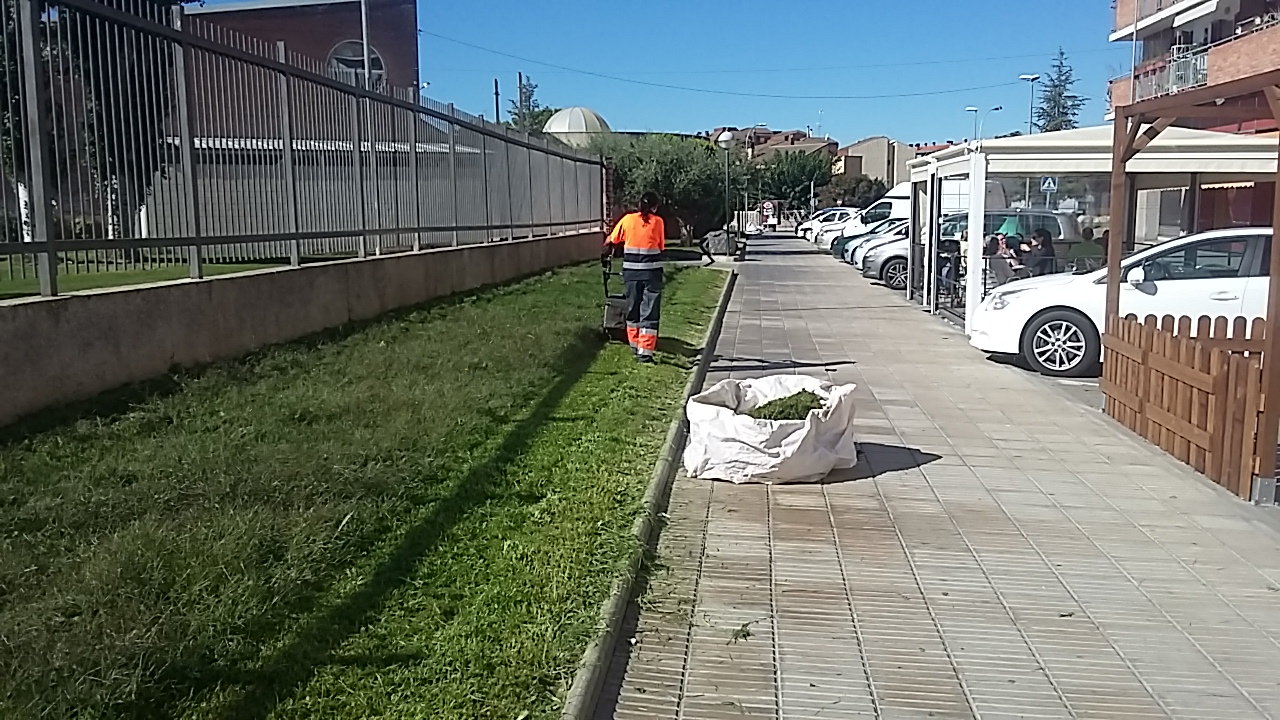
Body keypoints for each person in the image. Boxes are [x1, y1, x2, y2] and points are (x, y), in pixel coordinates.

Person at [603, 192, 666, 363]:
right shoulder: (658, 222)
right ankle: (645, 352)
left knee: (633, 308)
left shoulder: (627, 220)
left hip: (631, 273)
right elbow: (661, 245)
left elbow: (613, 239)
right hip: (651, 273)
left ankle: (634, 344)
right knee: (650, 311)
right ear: (654, 207)